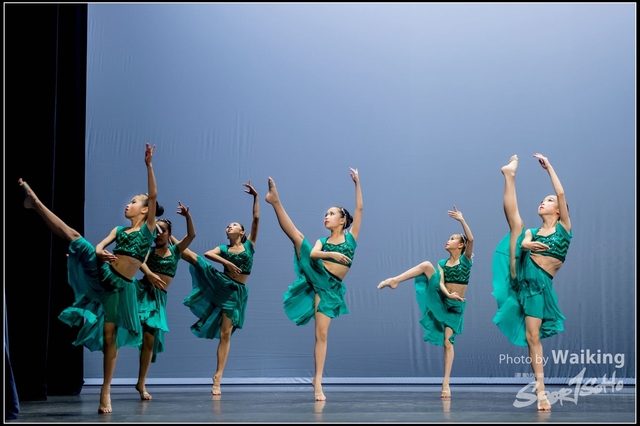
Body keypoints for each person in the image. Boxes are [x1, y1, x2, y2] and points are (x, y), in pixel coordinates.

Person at [18, 143, 161, 414]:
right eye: (130, 201)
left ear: (145, 211)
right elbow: (99, 246)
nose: (128, 204)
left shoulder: (148, 230)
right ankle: (35, 203)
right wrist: (98, 252)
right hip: (103, 273)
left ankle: (105, 389)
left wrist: (149, 165)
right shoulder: (119, 230)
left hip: (120, 288)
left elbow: (153, 195)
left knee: (110, 338)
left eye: (134, 202)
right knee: (74, 236)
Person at [265, 168, 363, 401]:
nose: (326, 216)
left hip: (330, 288)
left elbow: (359, 208)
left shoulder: (351, 238)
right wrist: (331, 255)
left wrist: (357, 183)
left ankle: (316, 378)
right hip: (318, 272)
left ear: (343, 220)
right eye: (326, 214)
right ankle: (275, 201)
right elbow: (313, 255)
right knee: (298, 237)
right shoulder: (322, 241)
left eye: (331, 214)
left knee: (322, 333)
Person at [492, 154, 572, 412]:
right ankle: (509, 175)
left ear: (559, 210)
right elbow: (525, 241)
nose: (543, 202)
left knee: (532, 337)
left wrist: (549, 167)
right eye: (542, 200)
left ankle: (540, 390)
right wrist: (526, 244)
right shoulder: (533, 232)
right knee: (517, 225)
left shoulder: (564, 229)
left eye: (548, 201)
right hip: (520, 272)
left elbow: (560, 192)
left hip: (536, 288)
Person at [378, 206, 474, 399]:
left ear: (461, 245)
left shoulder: (466, 260)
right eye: (449, 238)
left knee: (448, 342)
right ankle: (395, 280)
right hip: (443, 298)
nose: (448, 240)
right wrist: (448, 295)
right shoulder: (442, 263)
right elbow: (440, 283)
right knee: (426, 265)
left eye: (452, 238)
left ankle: (445, 382)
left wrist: (461, 220)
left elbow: (471, 239)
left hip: (455, 307)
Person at [179, 181, 260, 396]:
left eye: (234, 225)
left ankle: (218, 376)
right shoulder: (224, 248)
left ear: (242, 232)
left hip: (236, 292)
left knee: (226, 334)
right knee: (197, 259)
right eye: (228, 226)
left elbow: (256, 219)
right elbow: (208, 254)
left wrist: (255, 197)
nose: (229, 227)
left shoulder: (249, 245)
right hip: (221, 284)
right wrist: (226, 263)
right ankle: (170, 239)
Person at [135, 201, 196, 401]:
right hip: (142, 293)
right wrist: (149, 274)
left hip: (158, 299)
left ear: (169, 234)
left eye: (163, 230)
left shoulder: (176, 251)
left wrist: (188, 217)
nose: (159, 233)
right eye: (157, 230)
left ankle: (141, 383)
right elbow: (140, 261)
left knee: (149, 341)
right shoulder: (149, 249)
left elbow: (191, 236)